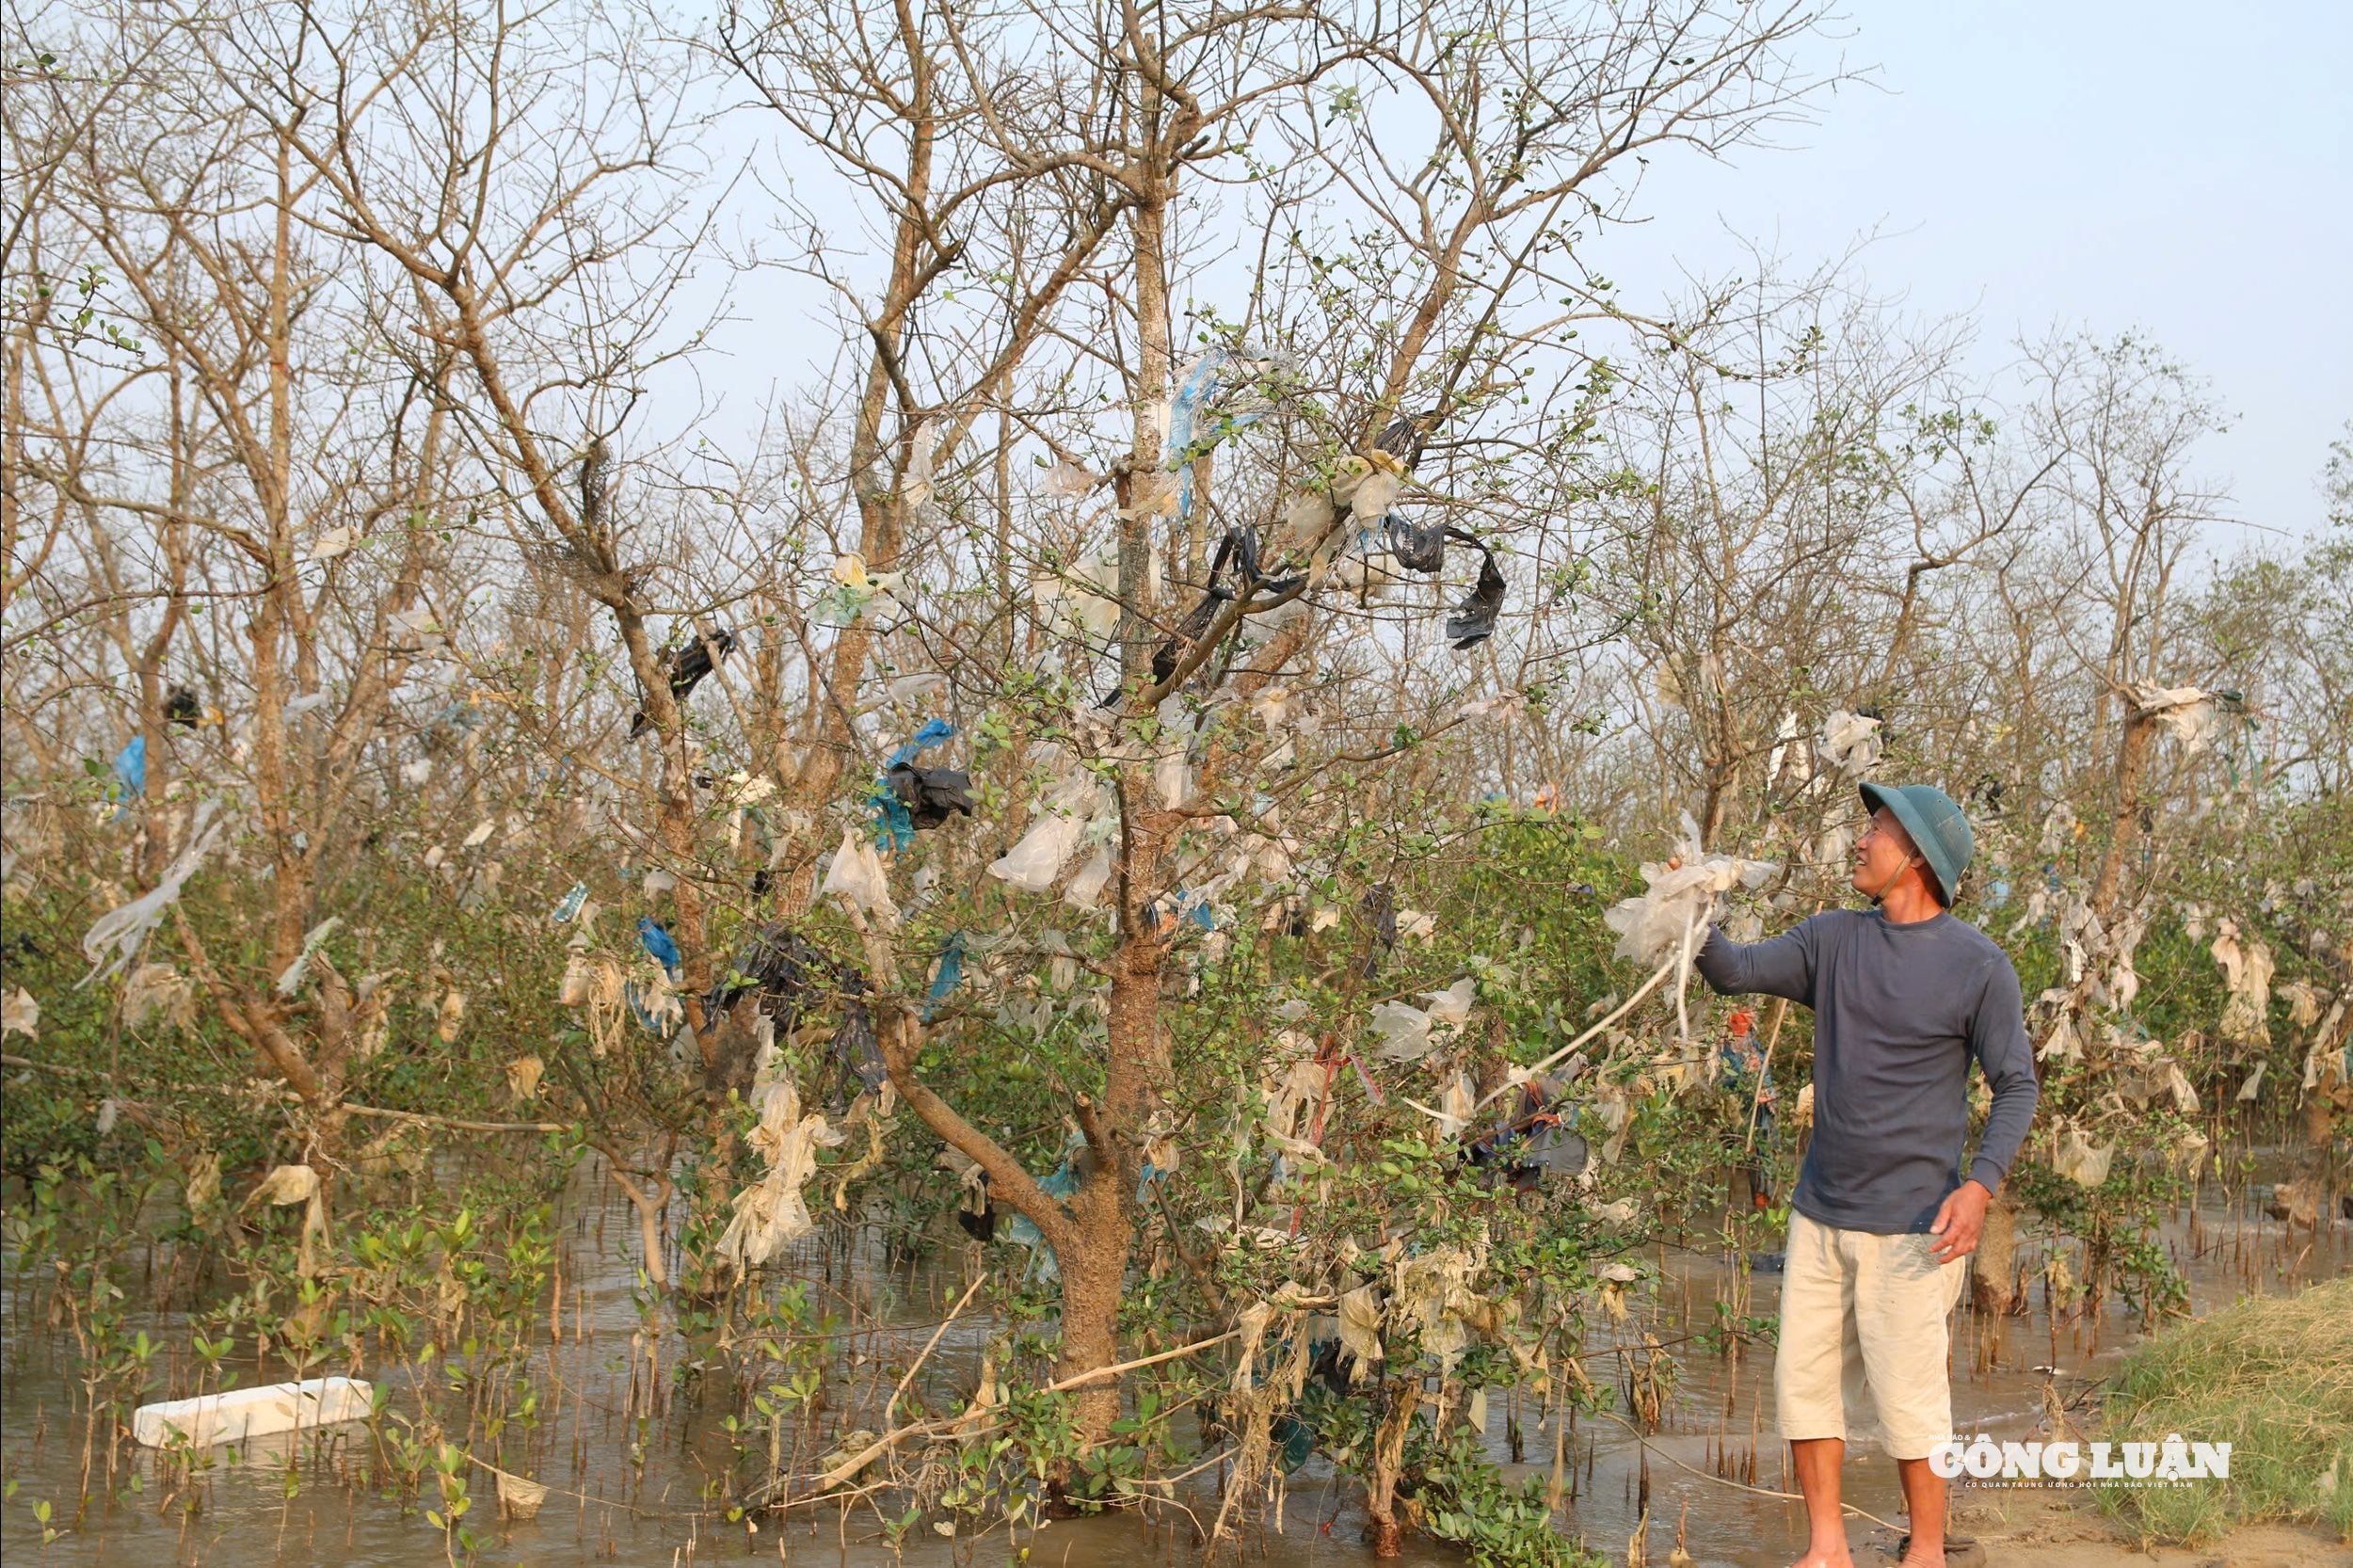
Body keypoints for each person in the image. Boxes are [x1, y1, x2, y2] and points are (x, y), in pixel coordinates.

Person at [1694, 783, 2039, 1568]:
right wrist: (1690, 909)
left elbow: (2016, 1084)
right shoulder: (1830, 940)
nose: (1859, 841)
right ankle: (1827, 1550)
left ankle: (1925, 1552)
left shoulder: (1980, 966)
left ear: (1917, 855)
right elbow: (1734, 971)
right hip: (1819, 1216)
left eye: (1875, 829)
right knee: (1804, 1390)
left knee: (1911, 1404)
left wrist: (1979, 1186)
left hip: (1915, 1230)